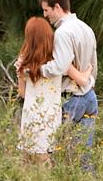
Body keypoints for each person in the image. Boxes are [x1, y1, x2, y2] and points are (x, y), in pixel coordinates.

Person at [38, 0, 98, 170]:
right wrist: (87, 80)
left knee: (51, 149)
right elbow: (93, 64)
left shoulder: (63, 33)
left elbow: (60, 66)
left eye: (46, 10)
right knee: (83, 156)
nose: (46, 16)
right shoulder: (86, 28)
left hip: (72, 98)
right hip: (89, 97)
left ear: (57, 7)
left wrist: (36, 69)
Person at [16, 16, 92, 164]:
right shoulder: (58, 63)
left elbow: (22, 93)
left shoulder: (23, 62)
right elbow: (82, 80)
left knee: (27, 161)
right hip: (49, 118)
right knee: (45, 161)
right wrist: (89, 69)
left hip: (30, 116)